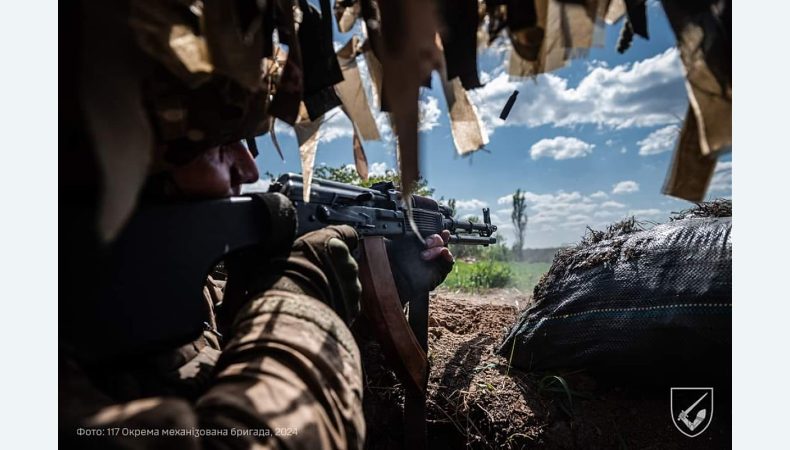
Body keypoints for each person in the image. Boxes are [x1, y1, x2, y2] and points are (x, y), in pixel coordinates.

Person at [59, 137, 454, 449]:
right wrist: (300, 301)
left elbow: (251, 357)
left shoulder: (195, 294)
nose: (249, 170)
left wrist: (383, 287)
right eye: (219, 143)